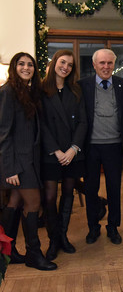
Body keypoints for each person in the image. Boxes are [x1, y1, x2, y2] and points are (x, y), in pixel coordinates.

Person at [0, 52, 57, 271]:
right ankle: (34, 254)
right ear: (13, 67)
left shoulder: (27, 92)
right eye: (21, 64)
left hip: (29, 160)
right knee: (33, 203)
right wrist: (10, 168)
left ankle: (7, 250)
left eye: (30, 64)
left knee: (15, 203)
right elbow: (3, 134)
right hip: (18, 164)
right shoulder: (7, 92)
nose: (26, 68)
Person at [79, 49, 123, 245]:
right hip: (90, 147)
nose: (106, 67)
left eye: (110, 63)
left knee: (114, 189)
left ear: (114, 65)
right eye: (102, 63)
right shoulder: (83, 86)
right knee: (91, 189)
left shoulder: (122, 85)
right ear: (94, 65)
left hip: (114, 146)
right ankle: (93, 227)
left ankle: (113, 227)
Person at [40, 50, 87, 261]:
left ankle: (63, 236)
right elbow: (40, 124)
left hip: (72, 153)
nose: (65, 67)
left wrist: (73, 148)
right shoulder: (41, 89)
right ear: (54, 63)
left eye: (69, 64)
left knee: (68, 194)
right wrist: (57, 151)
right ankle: (53, 240)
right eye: (62, 62)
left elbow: (83, 122)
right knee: (49, 198)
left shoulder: (75, 90)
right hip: (51, 153)